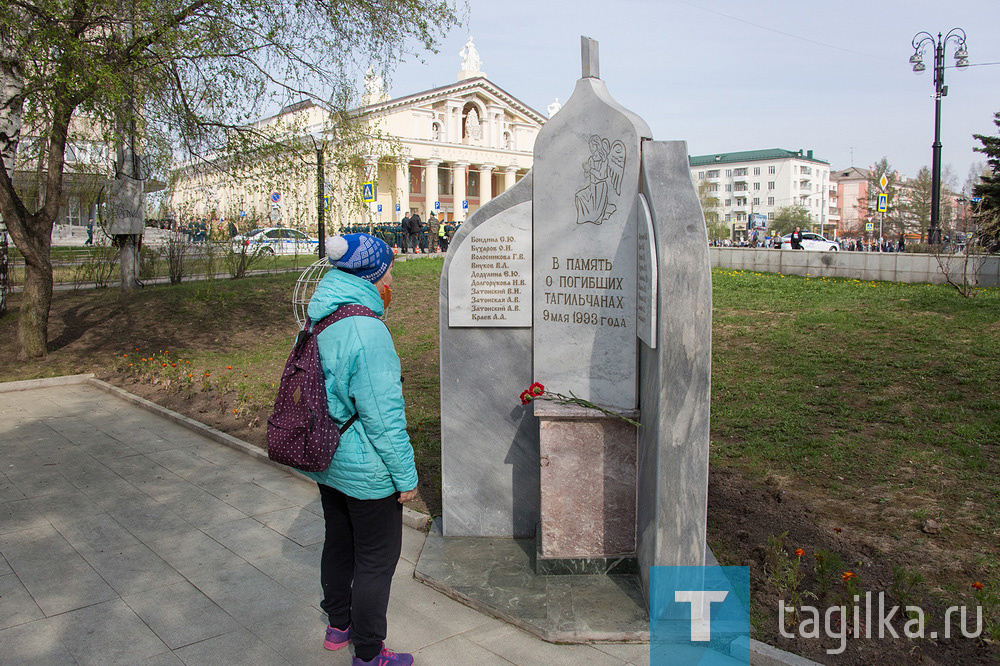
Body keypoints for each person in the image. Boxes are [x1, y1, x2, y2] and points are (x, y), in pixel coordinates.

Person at [301, 233, 417, 666]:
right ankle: (369, 653)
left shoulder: (321, 315)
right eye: (389, 270)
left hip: (328, 458)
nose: (393, 278)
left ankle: (338, 626)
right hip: (366, 468)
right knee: (375, 561)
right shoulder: (367, 330)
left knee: (339, 542)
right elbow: (383, 418)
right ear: (373, 274)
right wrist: (405, 477)